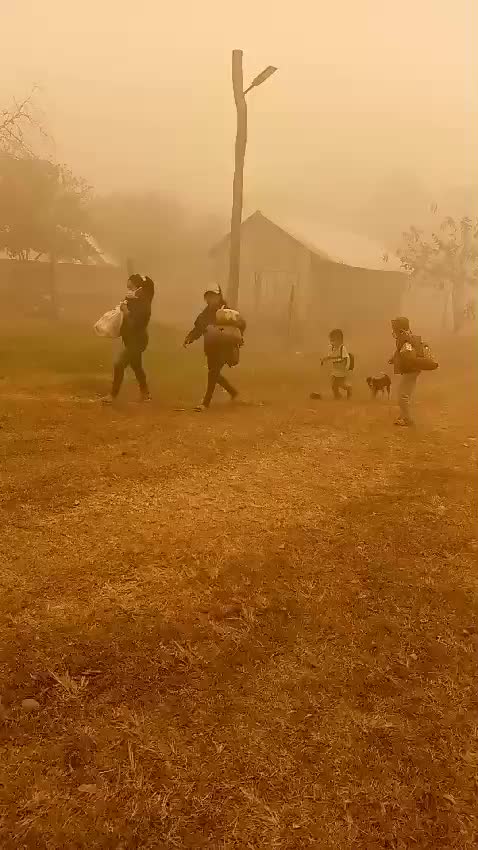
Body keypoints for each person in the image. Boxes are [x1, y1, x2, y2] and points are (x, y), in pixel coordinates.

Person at [183, 287, 244, 410]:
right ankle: (232, 392)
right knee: (214, 373)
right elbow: (198, 329)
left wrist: (237, 332)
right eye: (209, 296)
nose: (211, 299)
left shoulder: (227, 312)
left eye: (214, 296)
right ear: (206, 299)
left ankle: (205, 403)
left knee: (213, 373)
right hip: (211, 348)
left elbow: (241, 324)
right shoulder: (204, 315)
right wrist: (189, 338)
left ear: (219, 296)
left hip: (225, 348)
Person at [102, 274, 154, 403]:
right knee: (137, 366)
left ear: (138, 286)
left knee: (119, 364)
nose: (129, 289)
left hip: (137, 341)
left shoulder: (143, 302)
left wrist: (125, 311)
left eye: (131, 285)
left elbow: (135, 324)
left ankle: (113, 395)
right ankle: (146, 394)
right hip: (130, 340)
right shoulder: (133, 299)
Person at [389, 316, 419, 426]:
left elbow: (408, 353)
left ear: (399, 329)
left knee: (402, 395)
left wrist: (399, 359)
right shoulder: (405, 337)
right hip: (411, 371)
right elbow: (400, 351)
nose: (393, 331)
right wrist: (394, 358)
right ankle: (403, 416)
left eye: (394, 328)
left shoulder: (405, 339)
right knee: (402, 393)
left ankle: (407, 419)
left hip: (410, 371)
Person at [321, 328, 352, 399]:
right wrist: (324, 359)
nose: (332, 343)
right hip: (335, 370)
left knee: (341, 384)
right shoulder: (334, 348)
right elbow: (331, 356)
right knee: (333, 384)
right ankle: (337, 395)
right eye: (331, 341)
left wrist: (347, 367)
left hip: (341, 371)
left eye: (333, 341)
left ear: (340, 340)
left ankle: (349, 388)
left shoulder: (342, 348)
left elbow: (347, 358)